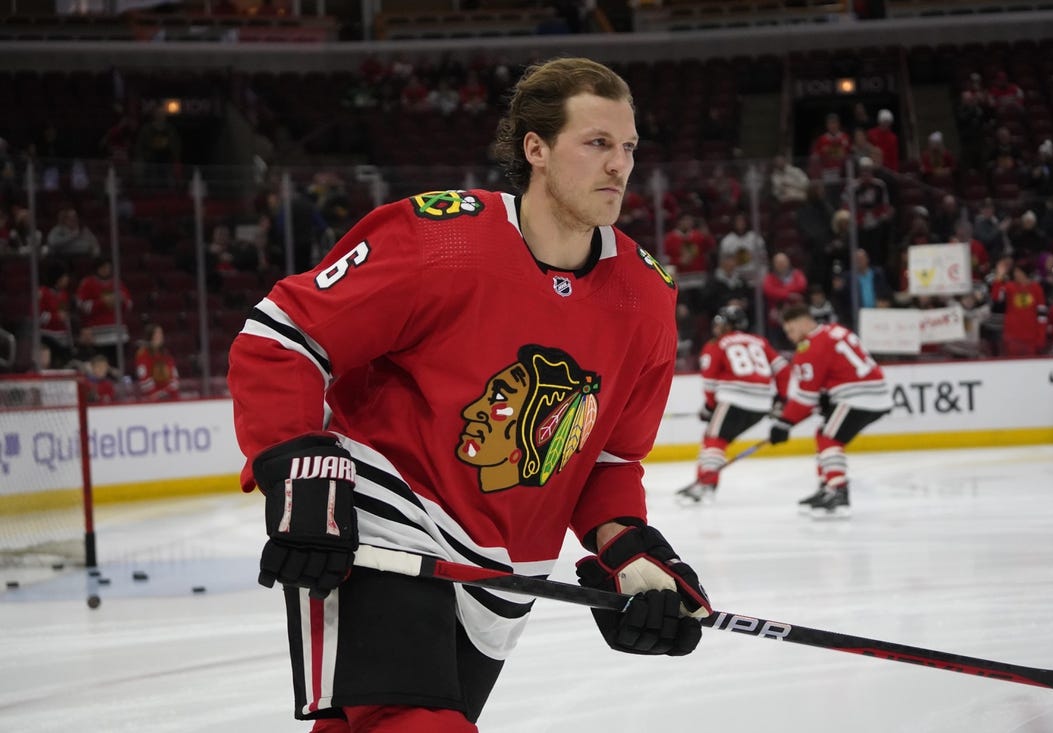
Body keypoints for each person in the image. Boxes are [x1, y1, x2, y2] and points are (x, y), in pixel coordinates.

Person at [226, 57, 711, 733]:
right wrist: (296, 463)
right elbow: (283, 334)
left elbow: (606, 460)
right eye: (597, 143)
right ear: (535, 149)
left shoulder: (646, 298)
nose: (619, 166)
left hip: (503, 571)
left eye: (628, 146)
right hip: (386, 519)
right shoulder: (441, 238)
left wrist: (630, 550)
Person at [766, 304, 892, 515]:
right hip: (873, 392)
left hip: (858, 397)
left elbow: (806, 398)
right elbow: (834, 375)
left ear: (801, 322)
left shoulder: (810, 346)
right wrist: (825, 398)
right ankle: (827, 487)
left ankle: (838, 491)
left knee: (829, 437)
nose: (789, 337)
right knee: (824, 433)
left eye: (790, 330)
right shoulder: (835, 331)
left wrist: (784, 423)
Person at [676, 305, 789, 503]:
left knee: (714, 439)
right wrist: (781, 399)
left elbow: (709, 382)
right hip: (763, 404)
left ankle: (706, 486)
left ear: (732, 325)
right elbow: (783, 368)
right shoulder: (760, 341)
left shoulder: (716, 344)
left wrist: (710, 407)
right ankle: (702, 481)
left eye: (722, 324)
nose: (717, 328)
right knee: (716, 439)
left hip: (734, 399)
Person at [133, 323, 180, 401]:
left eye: (161, 333)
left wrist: (164, 393)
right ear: (150, 336)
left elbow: (174, 377)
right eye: (157, 333)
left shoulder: (166, 354)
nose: (160, 336)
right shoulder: (143, 354)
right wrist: (155, 394)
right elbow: (144, 379)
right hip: (151, 400)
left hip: (170, 398)